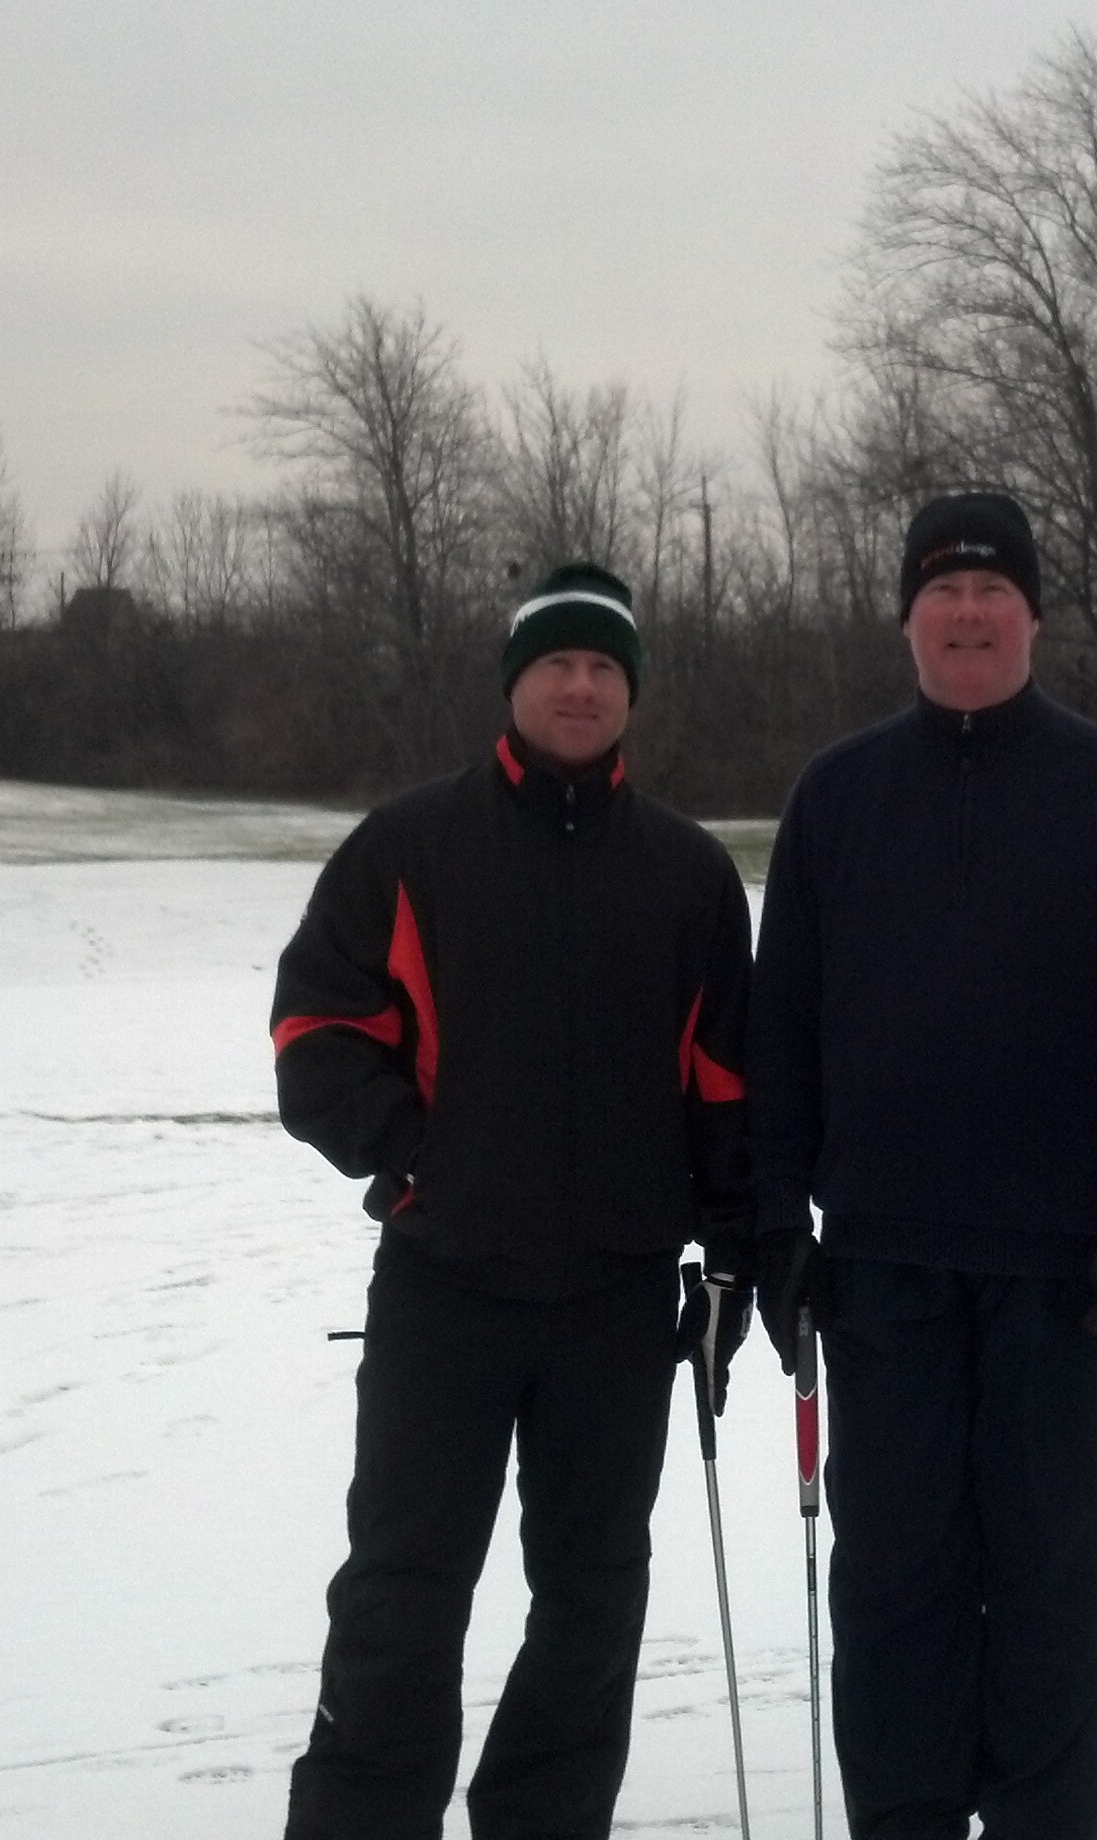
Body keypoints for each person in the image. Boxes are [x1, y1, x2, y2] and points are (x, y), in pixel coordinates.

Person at [746, 490, 1097, 1840]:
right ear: (907, 619)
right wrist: (778, 1219)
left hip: (1062, 1280)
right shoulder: (837, 798)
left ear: (1033, 618)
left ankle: (1046, 1816)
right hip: (881, 1269)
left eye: (993, 590)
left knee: (1054, 1579)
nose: (968, 613)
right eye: (943, 591)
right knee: (894, 1580)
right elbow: (781, 1032)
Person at [268, 561, 755, 1840]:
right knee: (404, 1591)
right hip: (448, 1286)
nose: (579, 687)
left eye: (602, 667)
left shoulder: (689, 874)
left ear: (630, 691)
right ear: (514, 684)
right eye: (556, 664)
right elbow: (316, 1033)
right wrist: (416, 1158)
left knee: (592, 1600)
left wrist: (738, 1251)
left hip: (617, 1298)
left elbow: (727, 1086)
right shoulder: (411, 846)